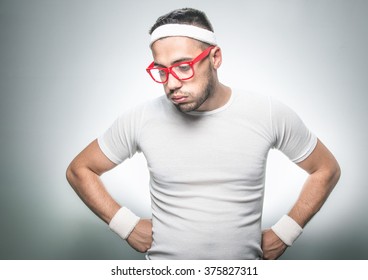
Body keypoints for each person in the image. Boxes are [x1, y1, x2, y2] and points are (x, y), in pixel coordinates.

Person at [66, 8, 341, 260]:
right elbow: (80, 170)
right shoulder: (141, 118)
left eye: (183, 66)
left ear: (215, 58)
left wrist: (286, 231)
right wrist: (125, 225)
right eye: (162, 70)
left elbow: (325, 169)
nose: (172, 83)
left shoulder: (267, 113)